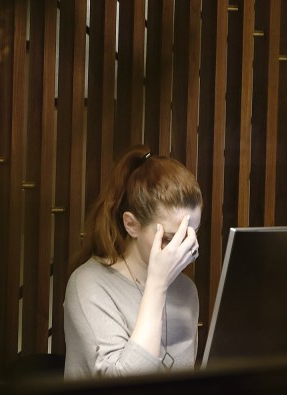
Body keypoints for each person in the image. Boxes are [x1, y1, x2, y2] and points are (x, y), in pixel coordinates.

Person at [63, 146, 202, 379]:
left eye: (192, 235)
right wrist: (157, 286)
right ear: (132, 225)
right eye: (170, 238)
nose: (184, 249)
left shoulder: (186, 290)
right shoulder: (88, 284)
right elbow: (123, 391)